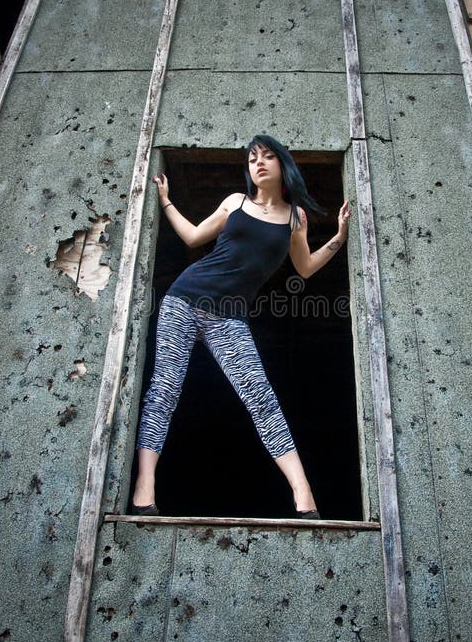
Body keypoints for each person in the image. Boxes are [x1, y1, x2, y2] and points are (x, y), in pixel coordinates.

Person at [132, 134, 351, 519]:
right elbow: (194, 236)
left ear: (283, 164)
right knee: (164, 389)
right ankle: (144, 488)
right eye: (252, 158)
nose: (258, 163)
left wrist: (337, 237)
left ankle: (304, 494)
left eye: (268, 156)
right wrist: (165, 200)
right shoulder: (235, 202)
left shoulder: (294, 217)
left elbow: (305, 267)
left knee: (260, 398)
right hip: (183, 299)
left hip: (228, 318)